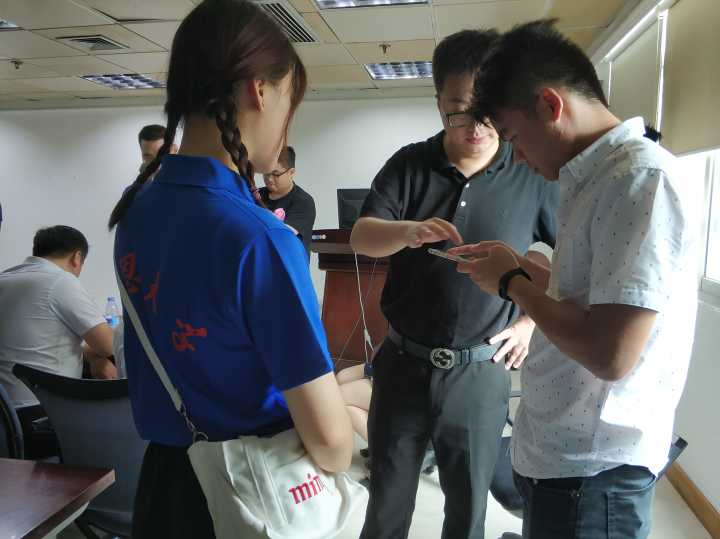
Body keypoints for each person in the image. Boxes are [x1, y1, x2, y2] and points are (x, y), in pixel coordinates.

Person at [107, 1, 353, 537]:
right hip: (242, 495)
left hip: (162, 486)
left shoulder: (136, 211)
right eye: (290, 103)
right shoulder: (260, 239)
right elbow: (332, 445)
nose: (286, 123)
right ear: (258, 91)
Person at [451, 19, 697, 539]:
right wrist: (530, 269)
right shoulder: (595, 178)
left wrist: (513, 283)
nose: (518, 157)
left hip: (595, 472)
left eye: (515, 138)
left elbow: (611, 353)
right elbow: (593, 301)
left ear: (550, 104)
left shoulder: (639, 178)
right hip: (564, 456)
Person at [350, 29, 559, 539]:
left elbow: (574, 267)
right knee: (386, 506)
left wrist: (529, 323)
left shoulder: (529, 172)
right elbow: (361, 236)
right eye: (459, 113)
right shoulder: (410, 164)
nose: (475, 128)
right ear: (439, 102)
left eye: (487, 113)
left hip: (480, 371)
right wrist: (406, 231)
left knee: (467, 514)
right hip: (402, 365)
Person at [0, 225, 116, 456]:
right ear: (77, 257)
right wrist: (97, 356)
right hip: (38, 415)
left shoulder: (5, 278)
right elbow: (109, 345)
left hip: (6, 415)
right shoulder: (60, 281)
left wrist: (92, 356)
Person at [259, 146, 316, 255]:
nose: (269, 179)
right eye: (266, 173)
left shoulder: (303, 201)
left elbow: (283, 236)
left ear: (291, 172)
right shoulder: (256, 195)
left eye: (276, 174)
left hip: (288, 262)